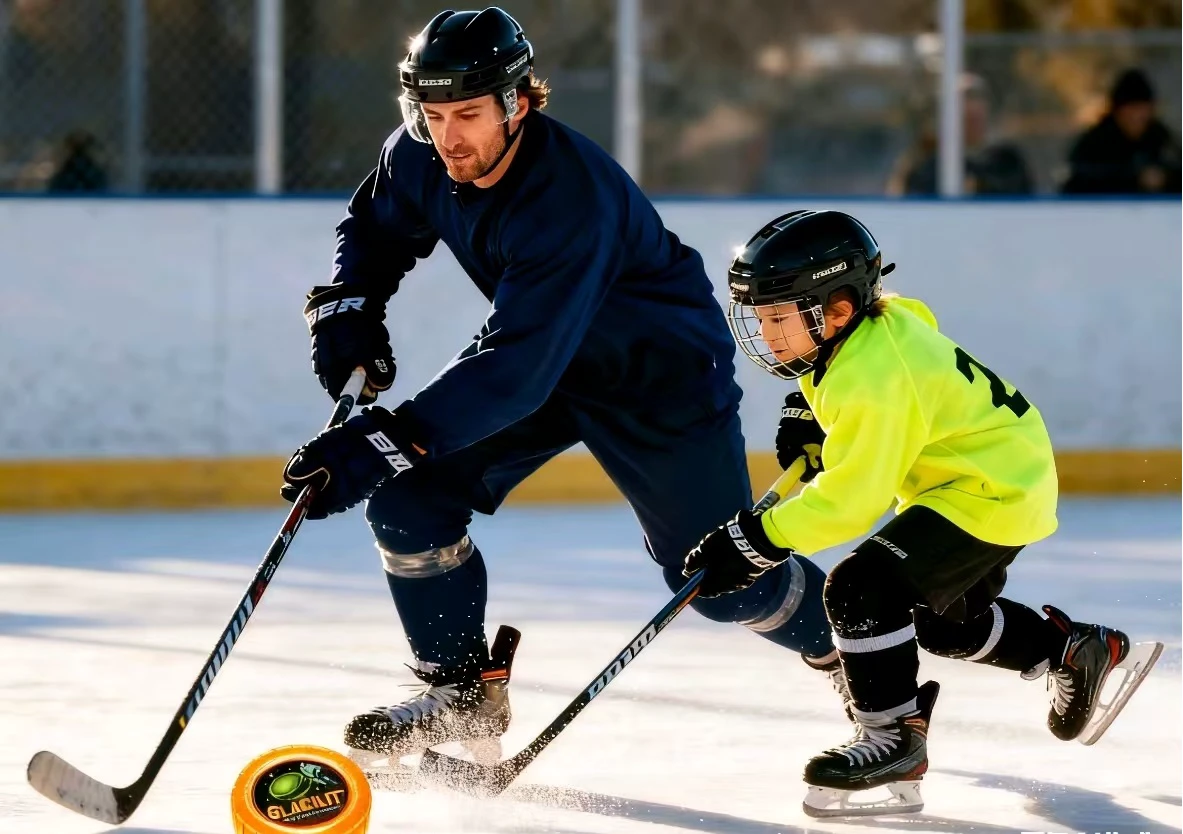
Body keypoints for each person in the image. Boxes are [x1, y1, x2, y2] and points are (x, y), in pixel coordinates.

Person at [278, 8, 838, 769]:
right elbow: (377, 230)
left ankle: (853, 652)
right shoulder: (417, 153)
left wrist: (384, 439)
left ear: (518, 103)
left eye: (468, 114)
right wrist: (349, 305)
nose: (448, 137)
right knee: (409, 503)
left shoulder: (568, 197)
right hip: (542, 359)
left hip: (655, 377)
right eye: (431, 114)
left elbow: (515, 370)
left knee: (721, 583)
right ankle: (460, 693)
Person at [683, 209, 1162, 817]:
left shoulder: (875, 373)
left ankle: (892, 738)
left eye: (779, 316)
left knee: (860, 587)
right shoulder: (867, 332)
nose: (767, 332)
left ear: (838, 310)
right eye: (760, 317)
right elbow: (912, 323)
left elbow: (855, 500)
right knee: (939, 623)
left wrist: (756, 542)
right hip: (983, 475)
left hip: (991, 488)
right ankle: (1069, 649)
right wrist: (815, 419)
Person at [889, 73, 1033, 196]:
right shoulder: (925, 164)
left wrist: (981, 187)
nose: (974, 108)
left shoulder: (1007, 162)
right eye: (967, 120)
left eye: (977, 119)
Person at [1062, 67, 1181, 195]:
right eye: (1131, 111)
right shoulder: (1096, 142)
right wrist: (1133, 178)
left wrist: (1165, 177)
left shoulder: (1161, 138)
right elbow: (1079, 178)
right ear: (1117, 111)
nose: (1136, 117)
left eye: (1142, 110)